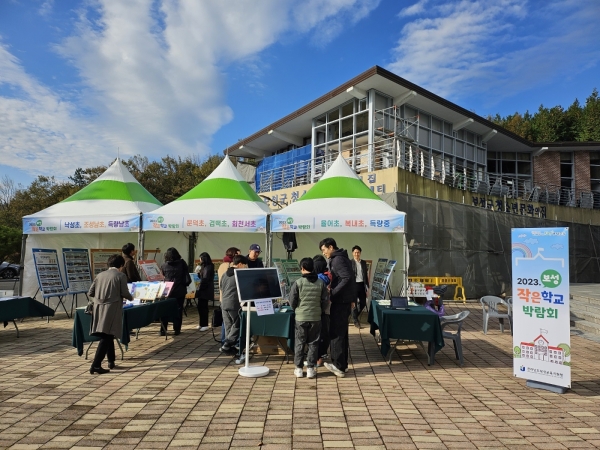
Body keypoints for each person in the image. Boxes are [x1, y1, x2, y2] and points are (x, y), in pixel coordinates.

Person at [88, 254, 132, 374]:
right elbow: (125, 293)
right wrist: (133, 297)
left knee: (108, 334)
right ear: (121, 265)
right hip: (112, 308)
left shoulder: (100, 275)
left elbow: (90, 292)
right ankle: (95, 365)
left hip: (98, 308)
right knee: (106, 336)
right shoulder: (121, 275)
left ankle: (111, 361)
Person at [319, 237, 355, 378]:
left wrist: (333, 292)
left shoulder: (337, 259)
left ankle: (338, 365)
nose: (324, 253)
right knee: (342, 333)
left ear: (331, 247)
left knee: (336, 333)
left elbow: (346, 278)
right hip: (344, 300)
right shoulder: (342, 258)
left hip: (340, 301)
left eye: (324, 250)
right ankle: (343, 365)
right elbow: (349, 277)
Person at [290, 258, 328, 379]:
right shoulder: (321, 283)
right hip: (316, 317)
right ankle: (311, 369)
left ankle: (299, 369)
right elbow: (325, 301)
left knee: (300, 343)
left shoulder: (298, 282)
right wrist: (319, 311)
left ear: (302, 268)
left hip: (301, 317)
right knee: (313, 343)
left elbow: (292, 301)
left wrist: (297, 310)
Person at [219, 254, 248, 355]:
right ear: (240, 264)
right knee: (237, 324)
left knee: (228, 326)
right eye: (245, 265)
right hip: (234, 303)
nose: (245, 267)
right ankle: (228, 344)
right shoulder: (239, 274)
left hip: (224, 302)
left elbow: (221, 286)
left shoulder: (225, 274)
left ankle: (228, 348)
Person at [160, 247, 191, 336]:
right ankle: (176, 329)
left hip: (167, 290)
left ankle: (163, 329)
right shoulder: (182, 263)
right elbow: (186, 274)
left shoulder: (164, 265)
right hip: (180, 290)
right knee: (178, 309)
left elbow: (163, 276)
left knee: (165, 310)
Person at [218, 247, 240, 344]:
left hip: (223, 297)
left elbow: (221, 284)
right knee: (235, 323)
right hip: (233, 298)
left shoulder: (221, 265)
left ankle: (225, 341)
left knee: (226, 323)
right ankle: (230, 342)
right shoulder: (234, 267)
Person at [313, 255, 331, 367]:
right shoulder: (328, 275)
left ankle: (318, 358)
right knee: (324, 333)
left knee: (318, 335)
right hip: (326, 310)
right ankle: (320, 356)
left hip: (319, 310)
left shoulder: (318, 278)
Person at [350, 245, 369, 328]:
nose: (356, 254)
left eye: (358, 252)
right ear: (352, 253)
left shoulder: (364, 263)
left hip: (361, 284)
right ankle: (355, 321)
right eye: (355, 252)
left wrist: (367, 285)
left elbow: (365, 275)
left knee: (363, 303)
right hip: (353, 285)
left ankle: (354, 315)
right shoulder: (350, 263)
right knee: (353, 303)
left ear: (360, 253)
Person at [195, 252, 214, 332]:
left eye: (201, 258)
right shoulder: (204, 266)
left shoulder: (208, 267)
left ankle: (205, 324)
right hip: (204, 288)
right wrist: (198, 273)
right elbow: (202, 277)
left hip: (205, 289)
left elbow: (205, 279)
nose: (200, 260)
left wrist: (200, 288)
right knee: (201, 307)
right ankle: (201, 324)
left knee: (203, 307)